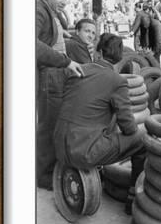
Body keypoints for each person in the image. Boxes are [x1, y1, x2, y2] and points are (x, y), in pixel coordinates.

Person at [54, 33, 146, 214]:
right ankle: (132, 199)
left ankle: (100, 169)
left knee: (100, 115)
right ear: (120, 57)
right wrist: (132, 133)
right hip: (83, 151)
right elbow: (128, 126)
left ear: (99, 51)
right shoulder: (117, 81)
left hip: (58, 144)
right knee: (141, 141)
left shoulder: (77, 69)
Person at [36, 0, 83, 190]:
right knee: (49, 126)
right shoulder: (39, 10)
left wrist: (66, 33)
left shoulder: (50, 12)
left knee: (54, 124)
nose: (63, 1)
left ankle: (50, 169)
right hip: (50, 76)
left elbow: (51, 36)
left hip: (56, 75)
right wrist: (65, 61)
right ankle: (45, 177)